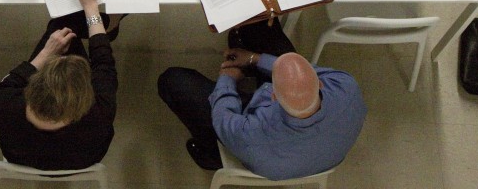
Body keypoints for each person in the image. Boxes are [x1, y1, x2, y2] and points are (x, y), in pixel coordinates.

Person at [157, 20, 367, 180]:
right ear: (319, 83)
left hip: (265, 151)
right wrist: (253, 58)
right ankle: (247, 41)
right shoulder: (347, 87)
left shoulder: (252, 133)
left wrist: (227, 80)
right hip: (323, 153)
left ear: (273, 95)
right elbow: (302, 70)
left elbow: (223, 116)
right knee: (261, 21)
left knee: (173, 81)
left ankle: (211, 154)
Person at [0, 0, 122, 170]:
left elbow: (14, 79)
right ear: (84, 98)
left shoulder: (4, 104)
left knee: (59, 28)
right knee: (62, 27)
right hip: (83, 157)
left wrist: (46, 53)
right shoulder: (98, 114)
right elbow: (103, 63)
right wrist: (91, 5)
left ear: (31, 88)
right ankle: (109, 24)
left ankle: (104, 24)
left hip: (21, 156)